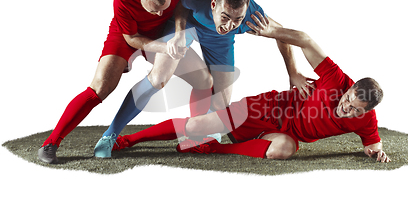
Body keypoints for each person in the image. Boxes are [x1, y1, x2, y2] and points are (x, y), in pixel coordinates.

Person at [110, 12, 391, 163]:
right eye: (348, 100)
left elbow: (373, 143)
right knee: (195, 127)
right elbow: (305, 39)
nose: (346, 108)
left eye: (354, 110)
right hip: (267, 110)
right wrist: (292, 69)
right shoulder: (335, 79)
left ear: (365, 111)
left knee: (284, 151)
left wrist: (376, 151)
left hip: (284, 135)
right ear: (350, 87)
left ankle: (211, 150)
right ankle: (128, 140)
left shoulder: (366, 119)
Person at [92, 0, 313, 158]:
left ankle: (195, 139)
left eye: (237, 20)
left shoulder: (250, 16)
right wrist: (179, 33)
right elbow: (181, 6)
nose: (230, 25)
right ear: (213, 4)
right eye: (225, 17)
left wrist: (292, 72)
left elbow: (282, 33)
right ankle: (111, 134)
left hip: (218, 42)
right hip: (187, 27)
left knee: (221, 102)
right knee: (159, 78)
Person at [38, 0, 231, 164]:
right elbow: (132, 39)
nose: (160, 13)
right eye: (154, 10)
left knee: (204, 79)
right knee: (100, 88)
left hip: (162, 31)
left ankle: (194, 137)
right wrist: (165, 48)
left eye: (164, 7)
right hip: (128, 35)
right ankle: (51, 143)